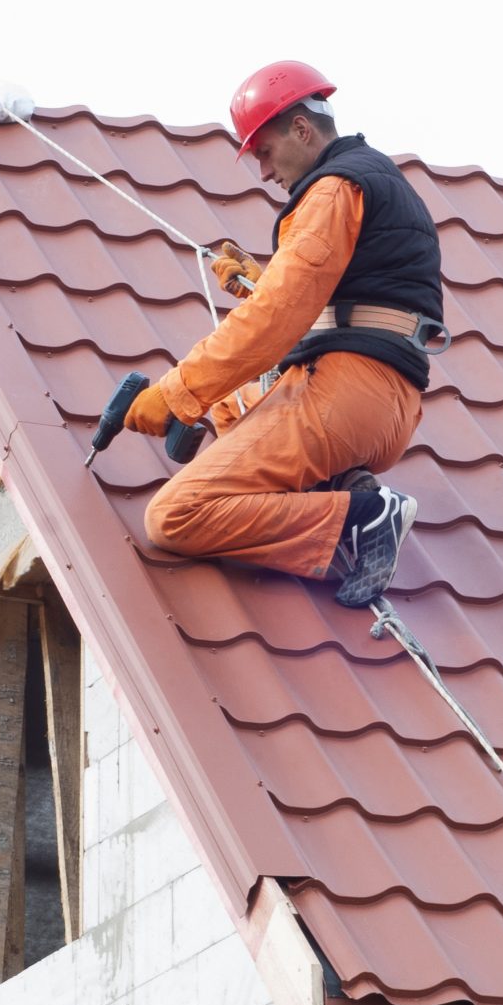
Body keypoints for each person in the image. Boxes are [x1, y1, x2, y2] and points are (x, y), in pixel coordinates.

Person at [124, 60, 446, 608]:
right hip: (383, 408)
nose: (265, 172)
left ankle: (362, 520)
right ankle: (343, 488)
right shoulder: (376, 181)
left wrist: (174, 394)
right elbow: (346, 300)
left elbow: (278, 320)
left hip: (346, 395)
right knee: (232, 409)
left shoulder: (335, 189)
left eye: (264, 152)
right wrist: (260, 281)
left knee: (175, 515)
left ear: (301, 128)